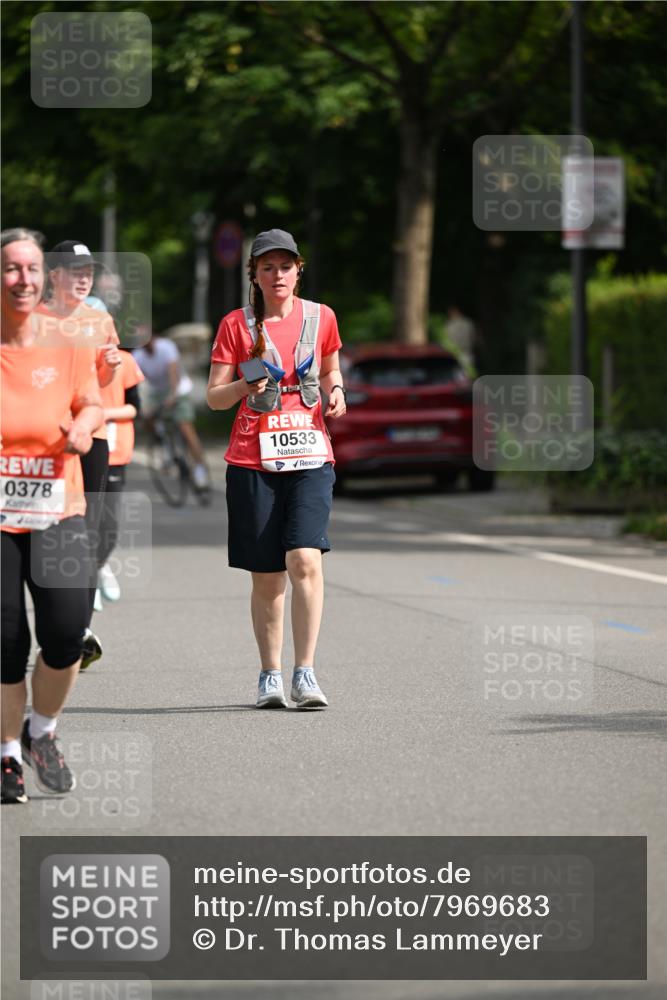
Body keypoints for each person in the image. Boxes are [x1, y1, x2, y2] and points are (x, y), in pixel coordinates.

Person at [207, 228, 346, 710]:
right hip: (252, 458)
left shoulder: (320, 317)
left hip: (310, 455)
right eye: (268, 267)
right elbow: (213, 396)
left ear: (298, 270)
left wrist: (337, 392)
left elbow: (330, 369)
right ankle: (270, 674)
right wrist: (247, 387)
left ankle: (305, 674)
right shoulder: (235, 325)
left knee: (305, 558)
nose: (278, 274)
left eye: (286, 266)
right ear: (255, 275)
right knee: (268, 576)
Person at [1, 228, 103, 803]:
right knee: (5, 639)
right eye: (12, 269)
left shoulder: (66, 340)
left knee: (66, 632)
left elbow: (88, 400)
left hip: (57, 505)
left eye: (32, 269)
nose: (23, 280)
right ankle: (7, 755)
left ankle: (42, 733)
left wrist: (84, 429)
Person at [39, 240, 123, 660]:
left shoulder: (100, 319)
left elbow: (103, 382)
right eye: (74, 269)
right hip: (42, 438)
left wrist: (110, 363)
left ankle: (80, 629)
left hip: (92, 437)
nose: (84, 276)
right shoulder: (31, 318)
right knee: (40, 530)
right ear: (54, 275)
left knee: (86, 535)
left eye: (88, 270)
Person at [96, 348, 145, 602]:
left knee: (109, 525)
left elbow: (134, 407)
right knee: (81, 521)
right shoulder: (67, 356)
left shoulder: (124, 361)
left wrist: (104, 414)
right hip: (75, 451)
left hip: (114, 452)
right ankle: (84, 581)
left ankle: (99, 566)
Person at [133, 329, 210, 490]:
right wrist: (143, 406)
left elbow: (173, 373)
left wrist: (173, 396)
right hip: (157, 392)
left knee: (185, 427)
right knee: (148, 418)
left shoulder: (166, 347)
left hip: (178, 389)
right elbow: (138, 383)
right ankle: (164, 445)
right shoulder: (138, 356)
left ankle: (200, 469)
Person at [438, 305, 477, 376]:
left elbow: (445, 340)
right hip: (465, 352)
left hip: (456, 353)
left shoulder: (449, 324)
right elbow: (474, 337)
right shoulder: (468, 322)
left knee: (458, 375)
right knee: (468, 375)